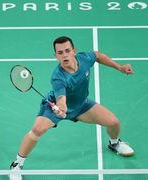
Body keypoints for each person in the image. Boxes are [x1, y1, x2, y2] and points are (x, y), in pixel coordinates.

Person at [9, 36, 134, 180]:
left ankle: (114, 144)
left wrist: (120, 67)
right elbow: (61, 99)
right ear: (55, 56)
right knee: (38, 130)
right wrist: (61, 108)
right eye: (60, 53)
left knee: (114, 123)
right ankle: (17, 165)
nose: (65, 55)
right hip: (55, 106)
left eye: (67, 50)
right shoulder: (58, 77)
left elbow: (98, 55)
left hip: (80, 105)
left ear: (74, 51)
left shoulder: (84, 59)